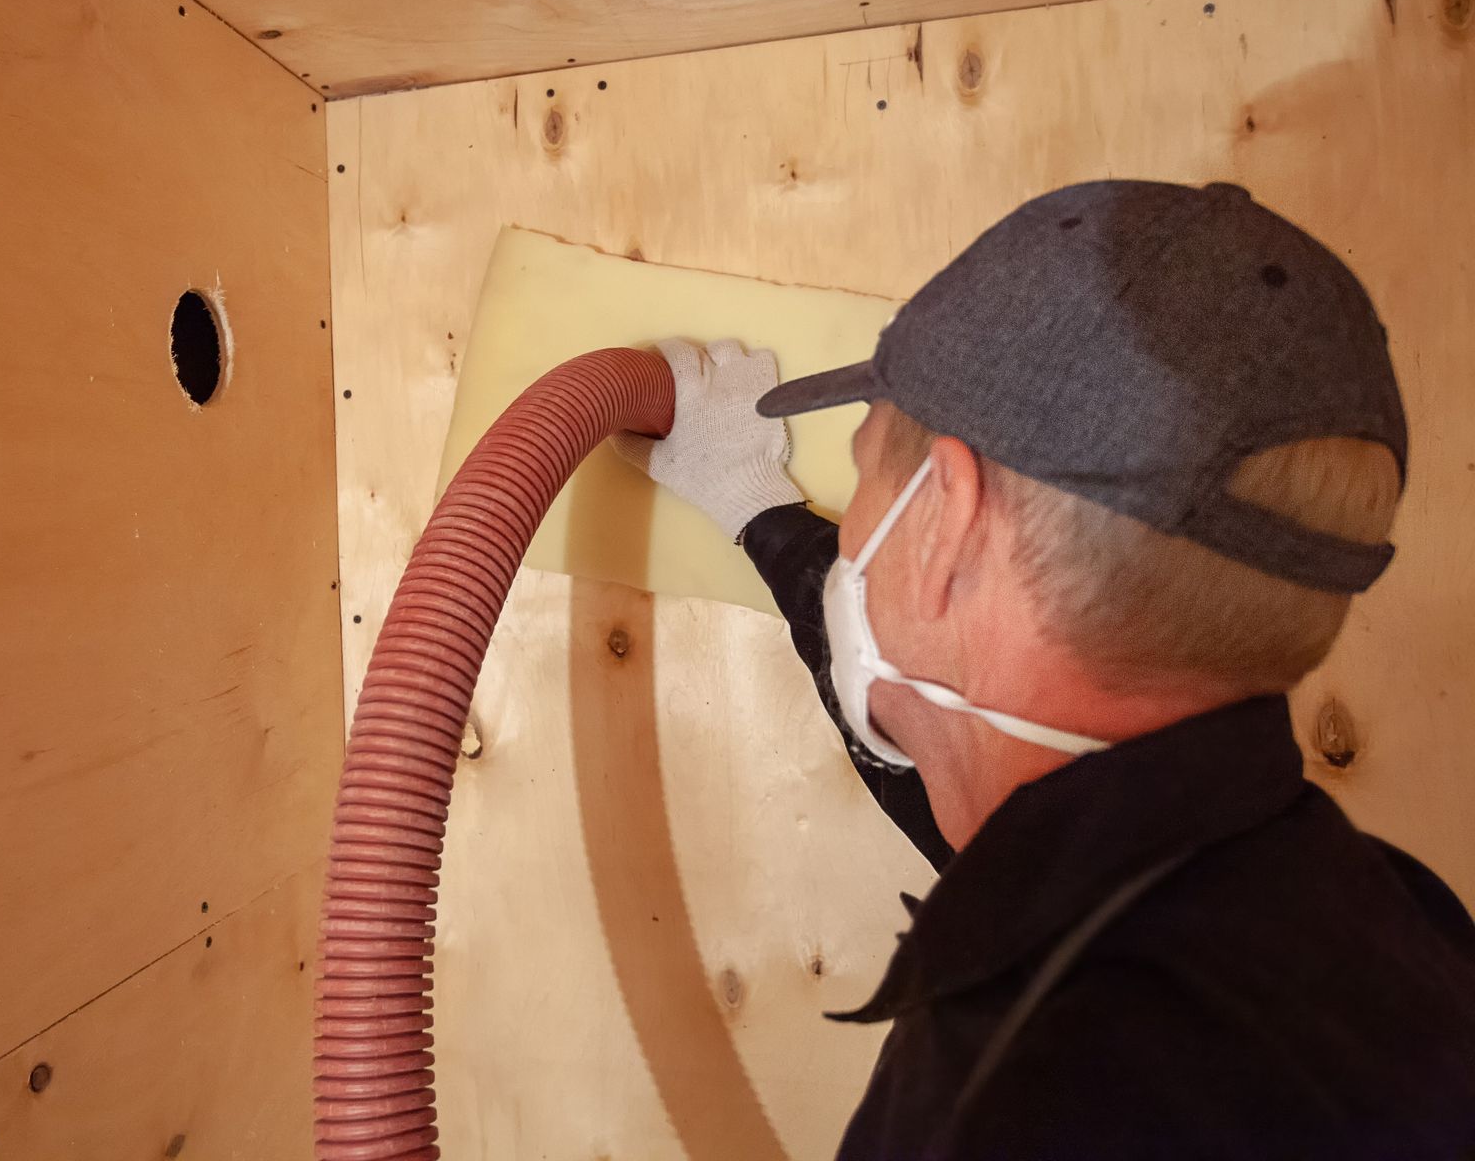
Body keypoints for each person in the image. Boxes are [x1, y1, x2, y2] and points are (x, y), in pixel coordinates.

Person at [612, 180, 1475, 1159]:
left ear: (945, 519)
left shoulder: (1033, 1090)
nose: (855, 531)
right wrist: (752, 505)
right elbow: (977, 773)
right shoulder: (1386, 921)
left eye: (866, 467)